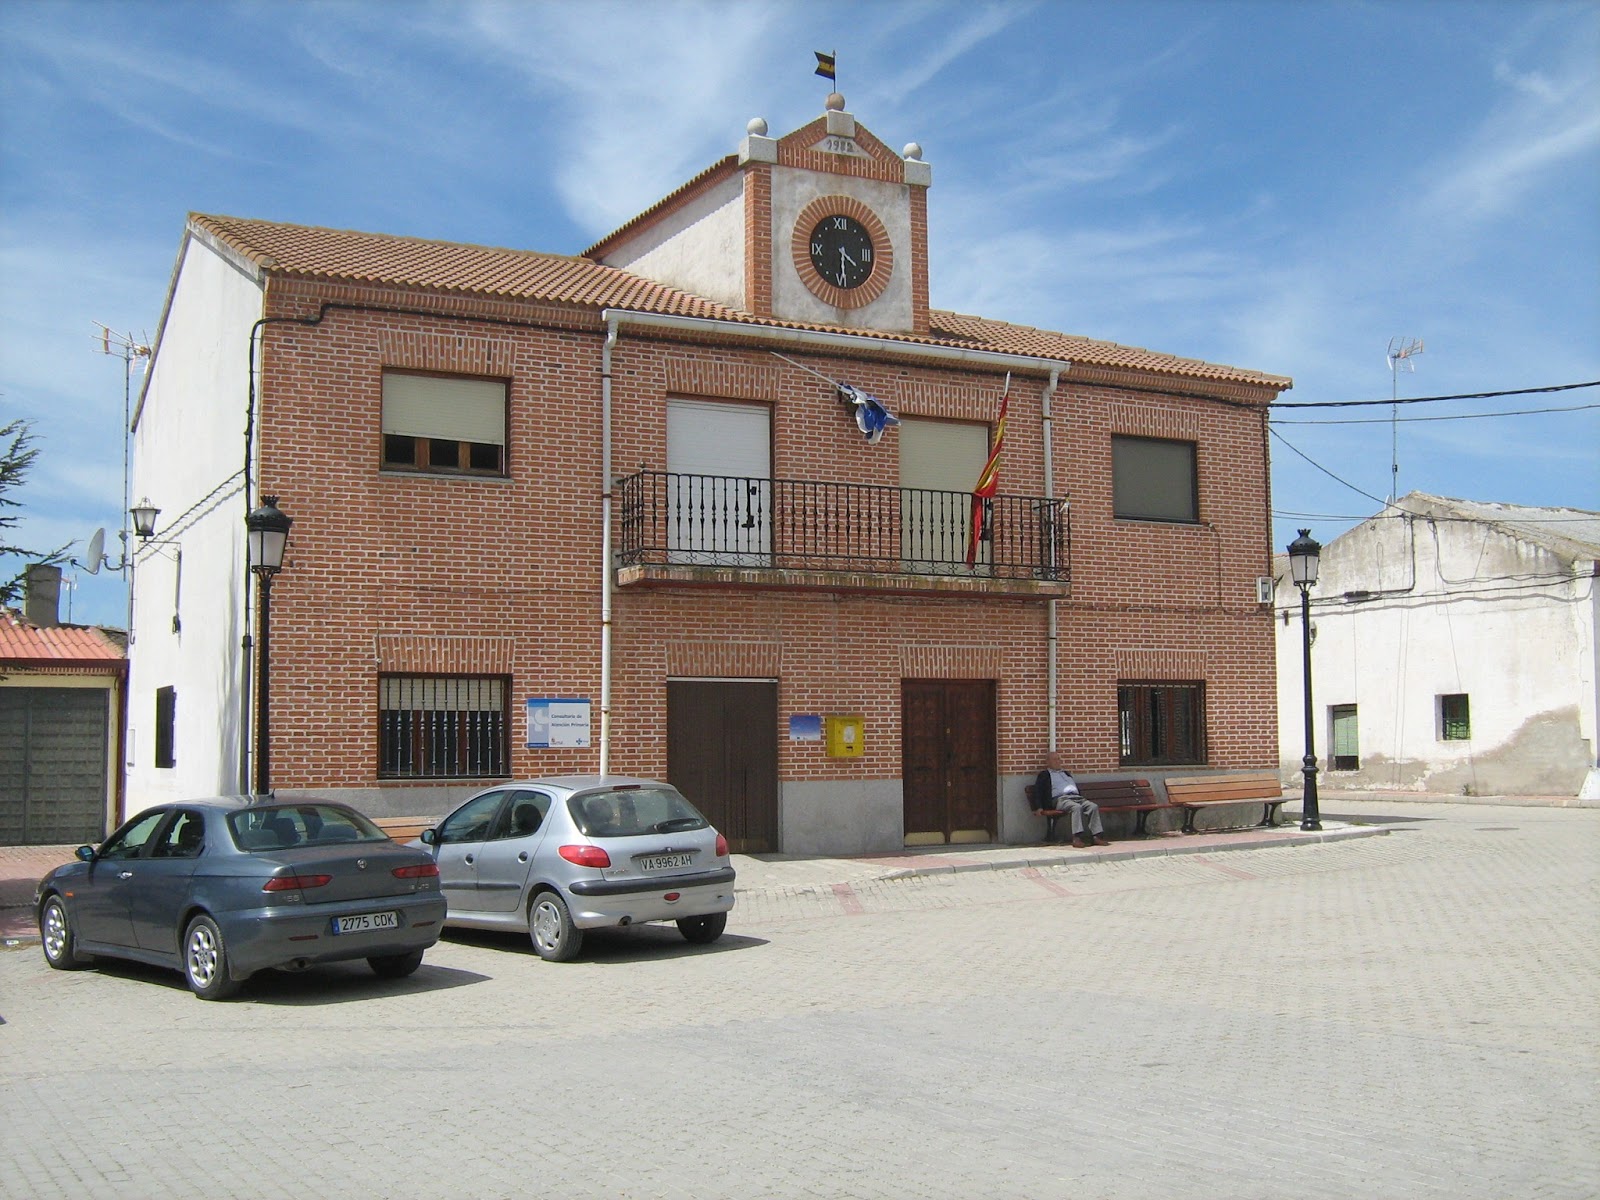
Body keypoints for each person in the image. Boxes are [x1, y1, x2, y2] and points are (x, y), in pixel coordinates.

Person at [1033, 750, 1109, 848]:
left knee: (1093, 807)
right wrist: (1039, 807)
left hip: (1076, 797)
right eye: (1055, 759)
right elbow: (1038, 791)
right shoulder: (1044, 775)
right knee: (1076, 807)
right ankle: (1076, 838)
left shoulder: (1065, 773)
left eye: (1059, 759)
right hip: (1060, 799)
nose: (1058, 761)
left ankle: (1096, 836)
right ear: (1048, 762)